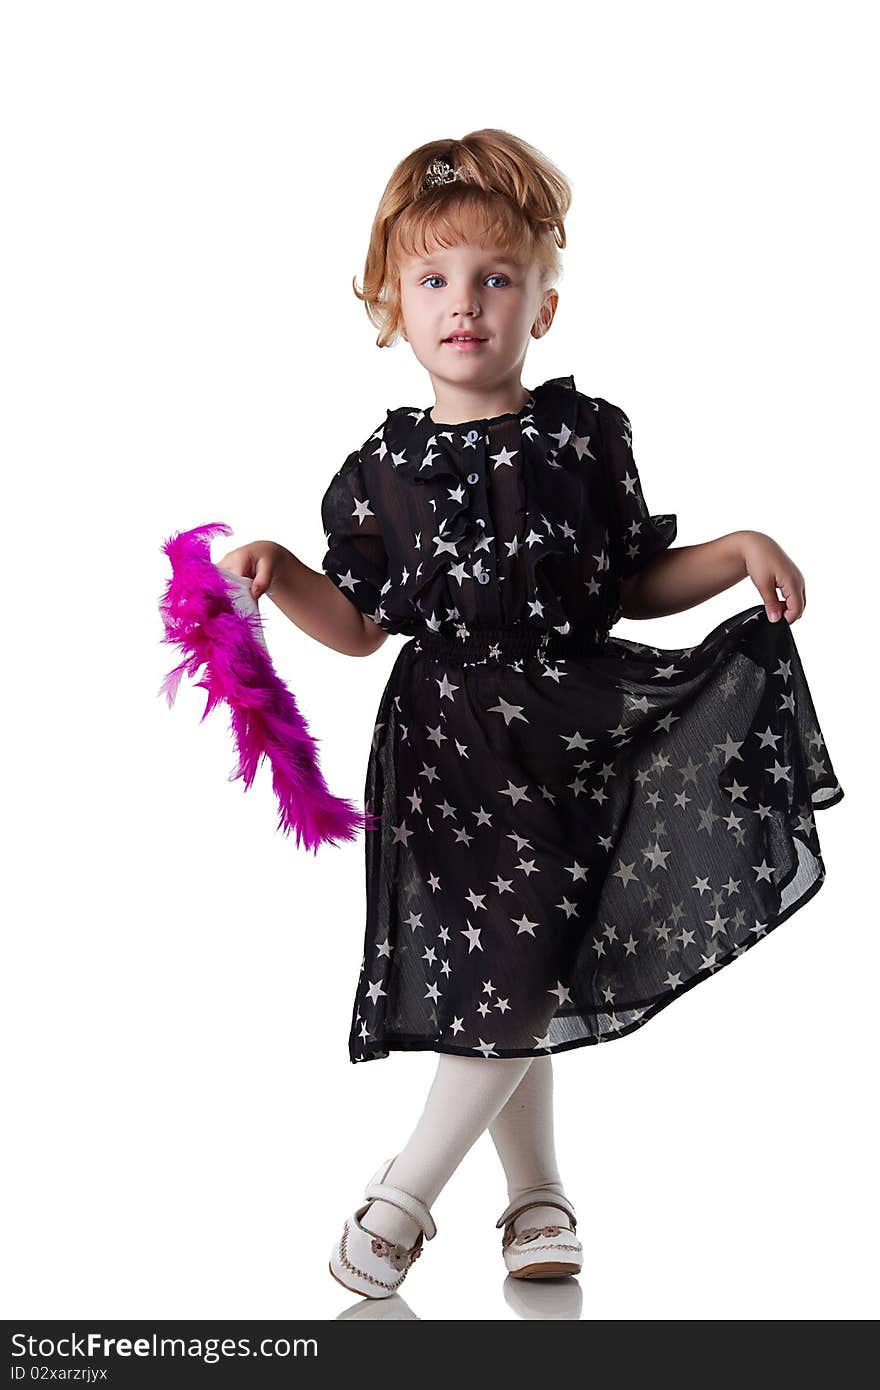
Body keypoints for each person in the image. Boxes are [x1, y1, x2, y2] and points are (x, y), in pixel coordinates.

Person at [216, 130, 844, 1298]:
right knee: (513, 964)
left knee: (531, 959)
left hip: (567, 724)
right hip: (451, 746)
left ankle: (503, 1192)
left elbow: (624, 585)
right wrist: (278, 568)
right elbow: (357, 624)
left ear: (542, 306)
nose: (465, 304)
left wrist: (735, 552)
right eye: (434, 281)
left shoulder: (584, 438)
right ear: (391, 308)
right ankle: (459, 1194)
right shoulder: (380, 473)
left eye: (496, 278)